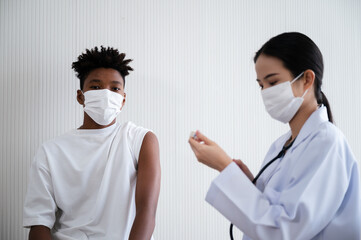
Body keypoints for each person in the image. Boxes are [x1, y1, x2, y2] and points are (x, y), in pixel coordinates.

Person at [189, 32, 361, 240]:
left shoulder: (328, 142)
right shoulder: (282, 145)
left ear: (307, 79)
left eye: (272, 82)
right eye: (261, 85)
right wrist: (248, 184)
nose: (265, 92)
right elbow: (272, 211)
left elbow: (284, 231)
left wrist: (224, 166)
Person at [23, 46, 161, 240]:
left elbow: (147, 211)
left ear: (122, 100)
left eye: (115, 88)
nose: (106, 94)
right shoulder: (51, 151)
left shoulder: (141, 139)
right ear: (81, 96)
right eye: (96, 87)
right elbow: (38, 224)